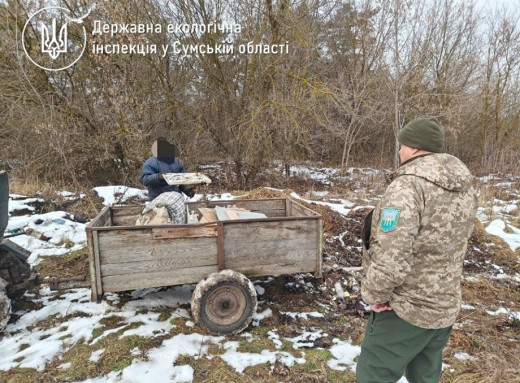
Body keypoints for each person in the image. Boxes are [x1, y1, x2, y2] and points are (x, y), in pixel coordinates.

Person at [356, 117, 478, 383]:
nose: (399, 152)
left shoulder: (407, 186)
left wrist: (373, 294)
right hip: (443, 306)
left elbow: (392, 255)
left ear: (413, 148)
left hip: (405, 309)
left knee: (372, 376)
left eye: (401, 146)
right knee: (425, 377)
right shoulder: (464, 186)